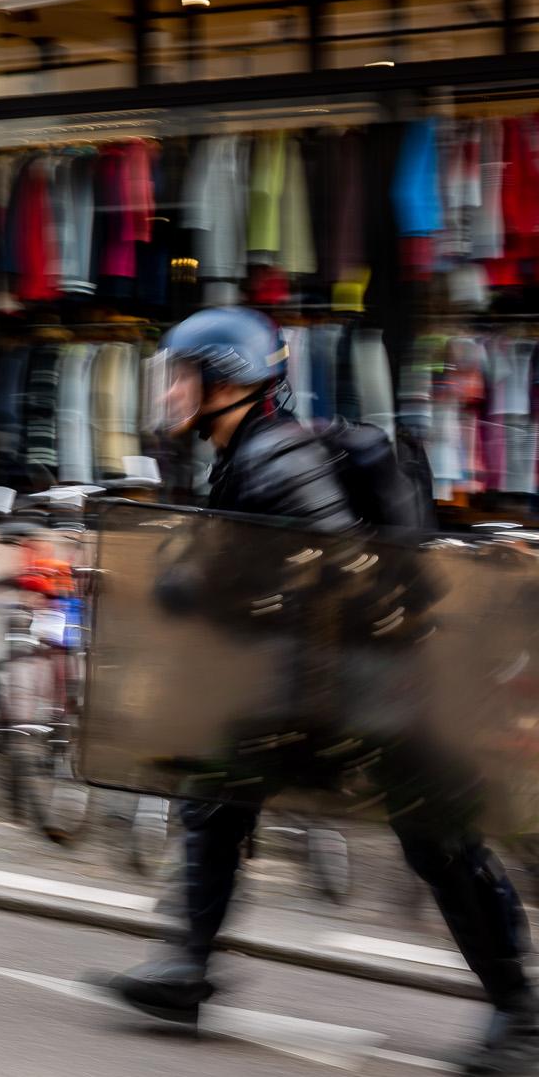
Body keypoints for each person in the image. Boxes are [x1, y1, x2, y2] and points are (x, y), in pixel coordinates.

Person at [104, 306, 538, 1076]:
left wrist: (197, 584)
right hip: (322, 683)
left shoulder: (276, 463)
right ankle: (185, 969)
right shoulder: (244, 452)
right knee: (215, 791)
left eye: (182, 375)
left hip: (383, 687)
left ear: (227, 382)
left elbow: (343, 575)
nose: (170, 391)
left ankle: (523, 1014)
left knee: (442, 842)